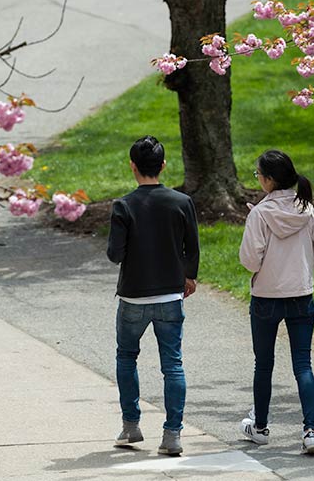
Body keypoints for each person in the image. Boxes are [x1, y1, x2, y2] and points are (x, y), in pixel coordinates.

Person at [107, 135, 200, 456]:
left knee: (126, 357)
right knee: (172, 365)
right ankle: (172, 434)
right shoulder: (181, 202)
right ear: (162, 165)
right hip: (170, 297)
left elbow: (114, 254)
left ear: (132, 166)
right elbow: (193, 246)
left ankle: (131, 426)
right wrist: (189, 276)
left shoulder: (123, 206)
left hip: (133, 296)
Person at [237, 149, 314, 455]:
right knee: (303, 364)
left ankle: (260, 427)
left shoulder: (260, 214)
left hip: (267, 297)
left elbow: (249, 259)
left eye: (258, 174)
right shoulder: (306, 209)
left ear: (270, 180)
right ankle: (310, 430)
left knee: (264, 364)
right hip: (301, 293)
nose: (257, 178)